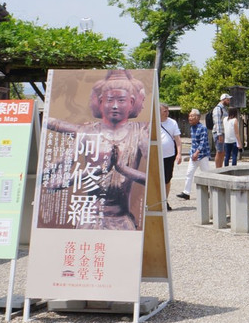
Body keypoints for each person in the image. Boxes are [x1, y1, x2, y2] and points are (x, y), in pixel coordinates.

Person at [42, 69, 149, 231]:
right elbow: (51, 183)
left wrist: (122, 169)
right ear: (100, 102)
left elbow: (153, 179)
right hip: (89, 219)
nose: (114, 106)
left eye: (121, 100)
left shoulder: (139, 132)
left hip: (121, 218)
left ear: (131, 102)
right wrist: (93, 171)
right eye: (109, 100)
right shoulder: (87, 133)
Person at [176, 108, 209, 201]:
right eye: (189, 116)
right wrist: (192, 154)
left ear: (197, 117)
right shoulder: (192, 127)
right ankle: (186, 193)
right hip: (193, 155)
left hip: (202, 155)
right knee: (189, 173)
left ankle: (210, 191)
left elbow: (203, 142)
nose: (189, 118)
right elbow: (193, 142)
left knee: (206, 174)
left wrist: (197, 152)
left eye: (192, 116)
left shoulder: (202, 128)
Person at [158, 103, 182, 211]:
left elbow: (177, 139)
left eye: (168, 111)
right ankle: (157, 200)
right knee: (157, 179)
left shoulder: (172, 123)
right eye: (164, 111)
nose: (167, 113)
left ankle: (165, 200)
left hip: (169, 155)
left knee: (167, 179)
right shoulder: (153, 122)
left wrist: (179, 153)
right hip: (156, 156)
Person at [213, 93, 231, 168]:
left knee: (222, 152)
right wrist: (220, 134)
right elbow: (218, 122)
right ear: (223, 99)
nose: (229, 101)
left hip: (223, 133)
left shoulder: (224, 109)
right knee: (219, 151)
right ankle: (218, 169)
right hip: (219, 133)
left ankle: (220, 168)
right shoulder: (218, 108)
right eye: (228, 99)